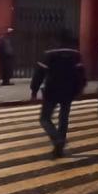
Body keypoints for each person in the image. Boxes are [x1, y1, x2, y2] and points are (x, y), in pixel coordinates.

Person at [30, 29, 87, 158]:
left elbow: (39, 74)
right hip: (69, 90)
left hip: (52, 90)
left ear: (56, 40)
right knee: (63, 118)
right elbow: (81, 74)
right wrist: (80, 89)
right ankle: (59, 148)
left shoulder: (49, 54)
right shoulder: (75, 55)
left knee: (44, 118)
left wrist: (34, 91)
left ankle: (57, 139)